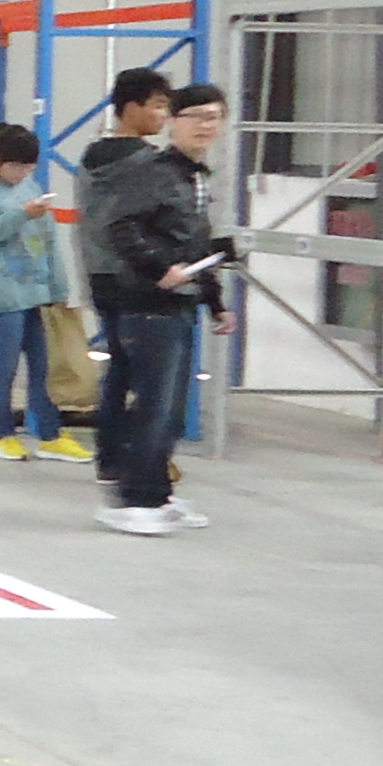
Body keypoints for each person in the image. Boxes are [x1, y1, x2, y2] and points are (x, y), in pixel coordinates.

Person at [91, 83, 235, 538]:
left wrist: (215, 302)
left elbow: (195, 244)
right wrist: (158, 268)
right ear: (174, 120)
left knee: (170, 410)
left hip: (181, 305)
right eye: (197, 116)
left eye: (215, 116)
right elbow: (120, 229)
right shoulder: (152, 172)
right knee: (153, 407)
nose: (206, 125)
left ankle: (157, 493)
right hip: (148, 305)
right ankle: (135, 499)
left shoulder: (195, 177)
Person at [0, 123, 86, 464]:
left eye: (30, 167)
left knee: (45, 368)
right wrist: (20, 215)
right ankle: (3, 435)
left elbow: (49, 240)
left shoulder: (30, 186)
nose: (23, 174)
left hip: (38, 292)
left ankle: (50, 435)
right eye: (17, 167)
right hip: (2, 297)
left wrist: (59, 288)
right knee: (3, 369)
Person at [74, 70, 174, 491]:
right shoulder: (147, 162)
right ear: (131, 108)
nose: (163, 116)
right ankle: (142, 460)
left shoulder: (89, 158)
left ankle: (110, 458)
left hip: (99, 275)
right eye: (158, 105)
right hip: (137, 276)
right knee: (154, 377)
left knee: (118, 368)